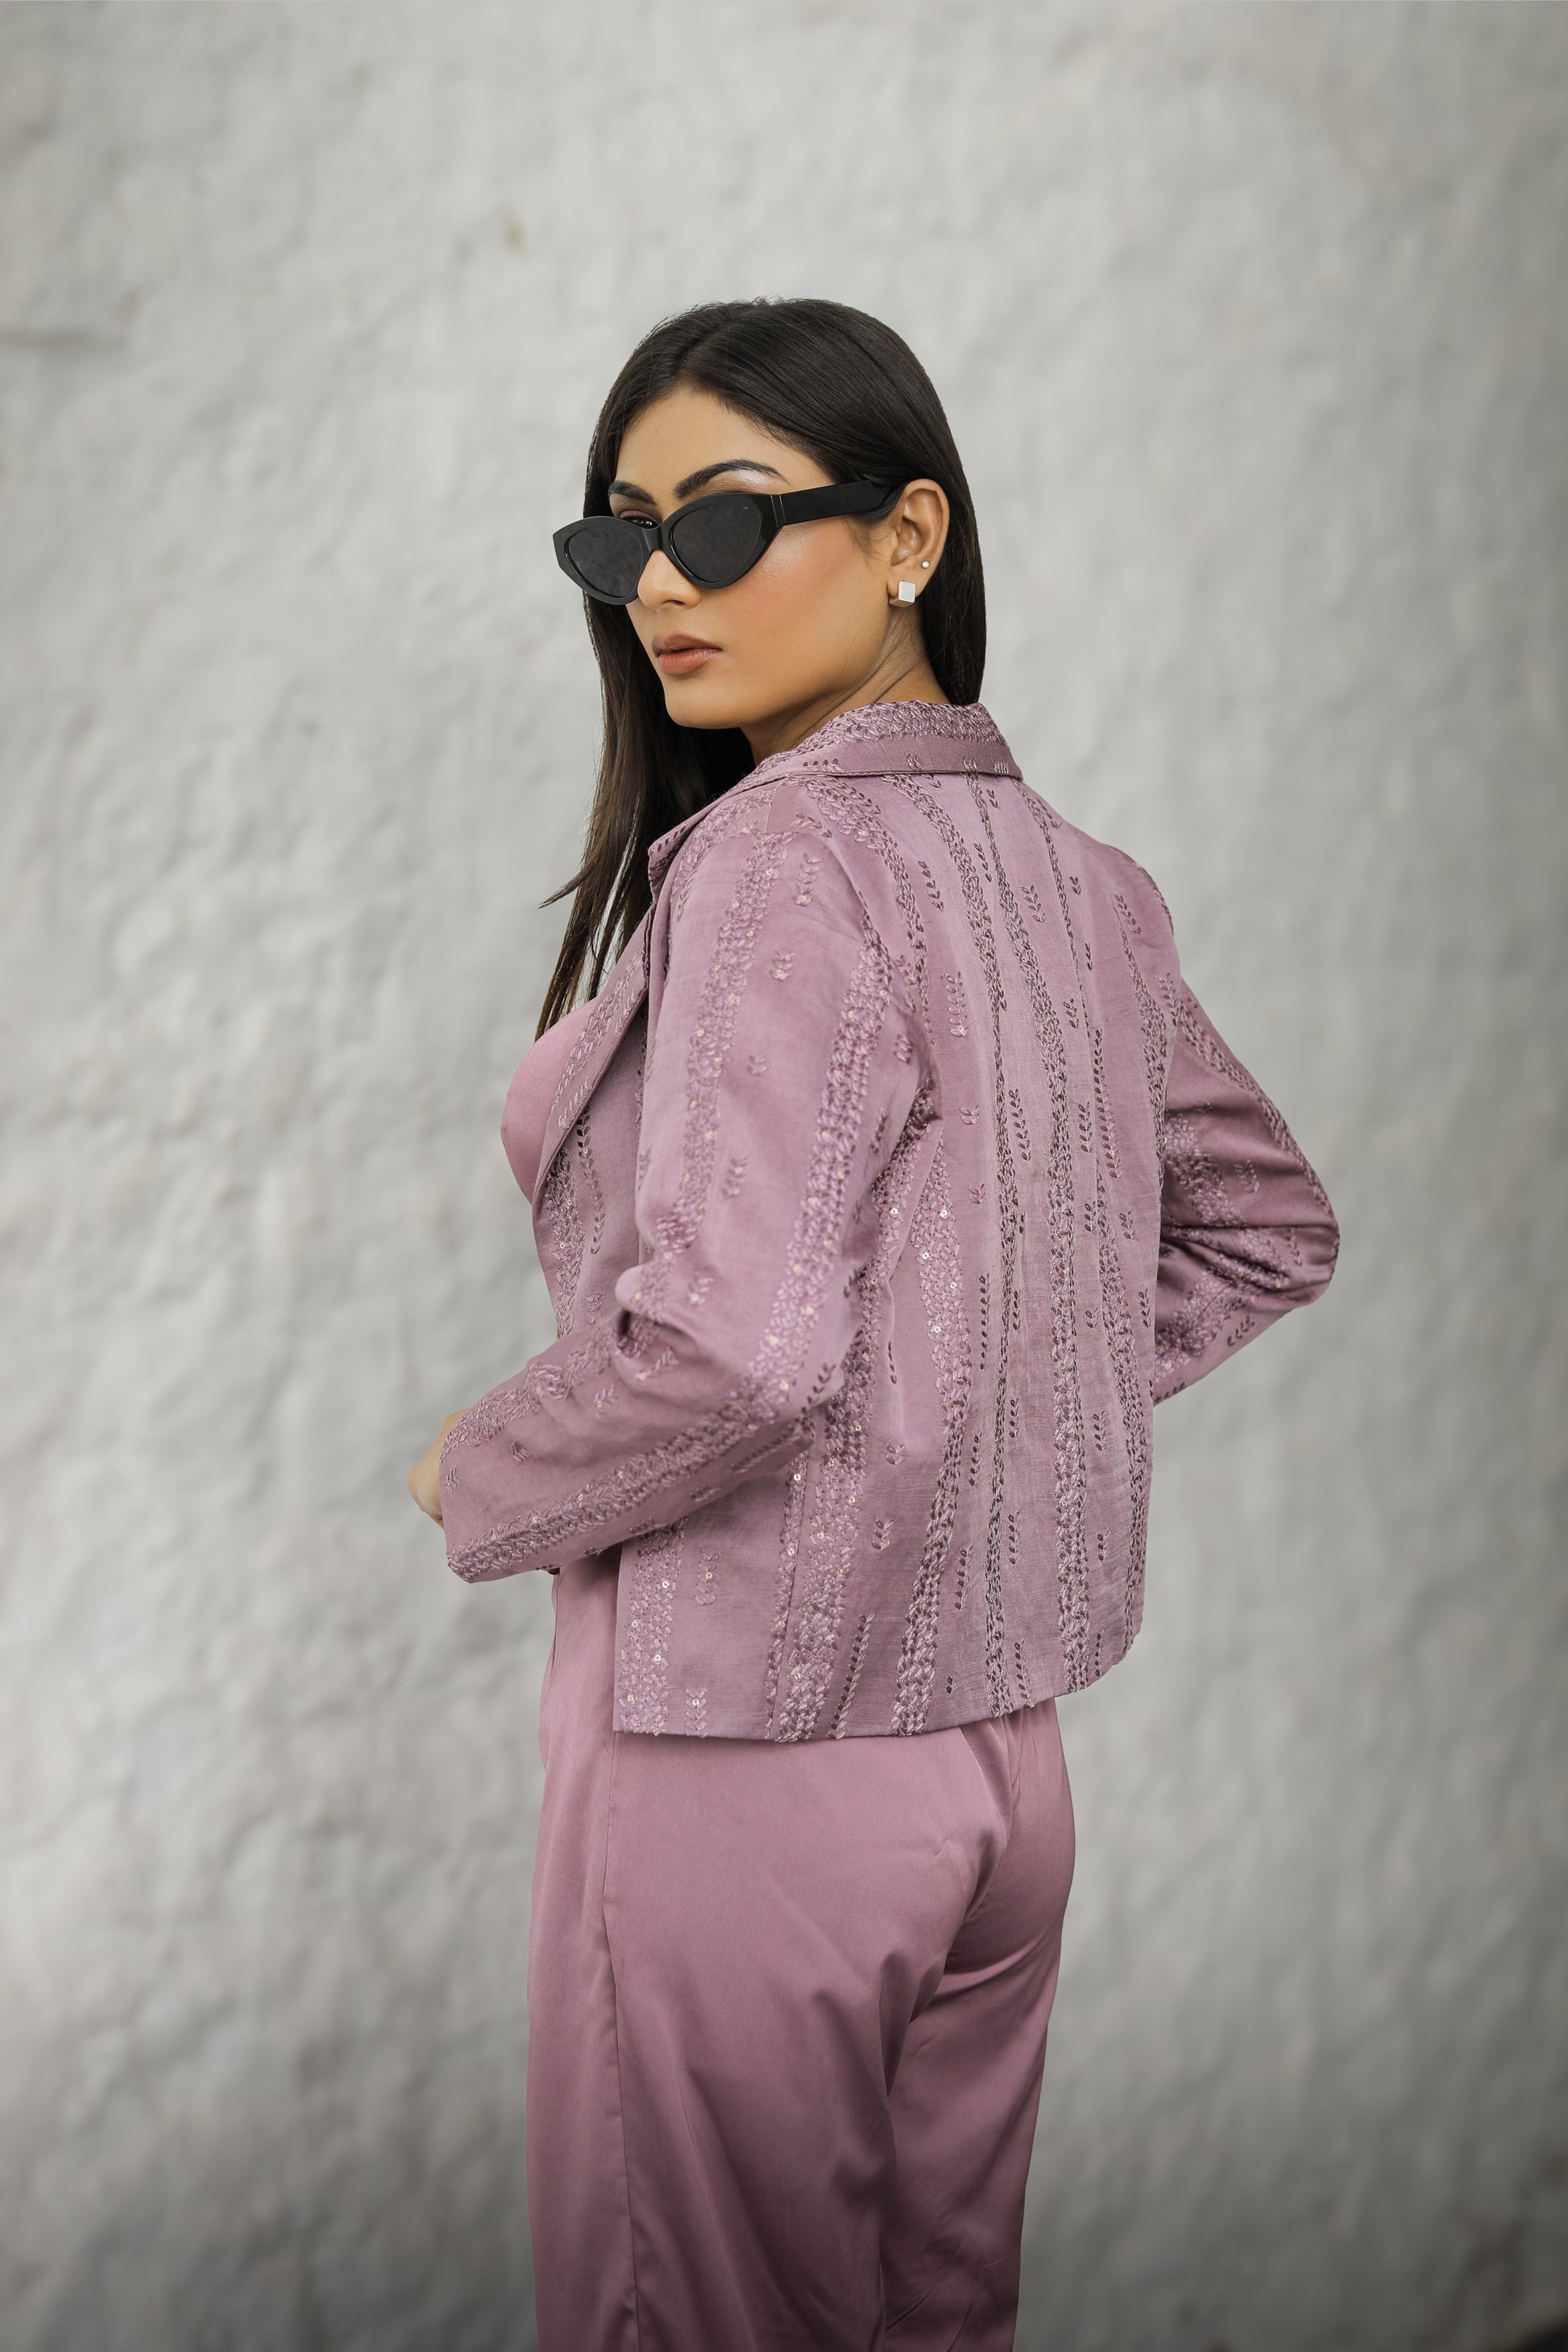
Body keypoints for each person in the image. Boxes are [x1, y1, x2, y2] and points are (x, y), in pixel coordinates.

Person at [407, 297, 1338, 2352]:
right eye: (619, 535)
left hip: (741, 1757)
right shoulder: (1081, 881)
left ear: (911, 532)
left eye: (725, 521)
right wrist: (973, 1393)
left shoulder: (772, 861)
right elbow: (1264, 1226)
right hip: (1000, 1782)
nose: (660, 584)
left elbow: (733, 1351)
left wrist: (480, 1466)